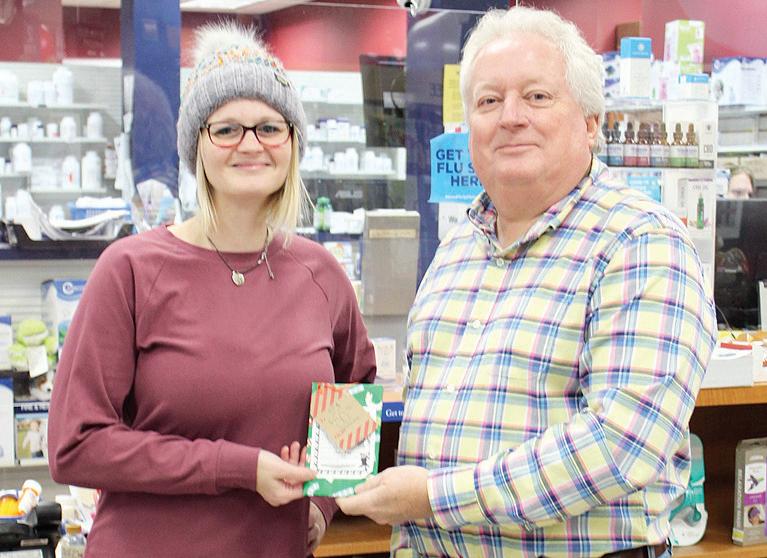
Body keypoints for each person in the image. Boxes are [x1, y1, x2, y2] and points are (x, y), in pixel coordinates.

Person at [338, 6, 716, 558]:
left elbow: (620, 447)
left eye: (537, 97)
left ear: (591, 122)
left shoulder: (640, 242)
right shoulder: (455, 251)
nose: (510, 117)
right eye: (489, 101)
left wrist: (434, 497)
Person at [48, 22, 376, 558]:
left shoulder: (320, 274)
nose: (250, 144)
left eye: (269, 127)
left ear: (293, 143)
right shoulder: (130, 271)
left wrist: (323, 503)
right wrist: (238, 467)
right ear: (196, 147)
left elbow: (355, 389)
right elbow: (75, 445)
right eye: (226, 129)